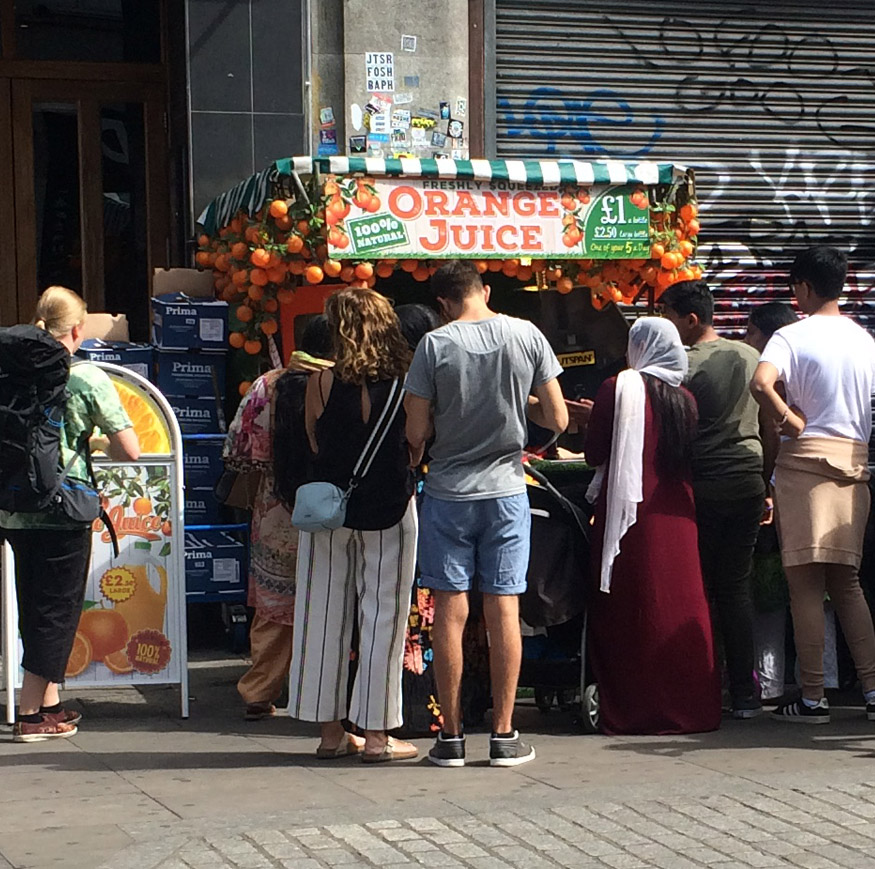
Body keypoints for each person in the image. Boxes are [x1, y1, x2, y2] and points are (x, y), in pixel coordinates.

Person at [405, 260, 568, 768]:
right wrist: (519, 408)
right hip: (506, 490)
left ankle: (450, 736)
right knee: (504, 608)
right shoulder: (526, 334)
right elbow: (558, 418)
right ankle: (503, 734)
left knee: (450, 613)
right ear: (486, 290)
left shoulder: (434, 345)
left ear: (443, 304)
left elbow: (415, 430)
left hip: (449, 492)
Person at [1, 286, 140, 742]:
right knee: (58, 613)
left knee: (36, 607)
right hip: (64, 508)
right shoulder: (86, 377)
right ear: (77, 328)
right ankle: (28, 715)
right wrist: (94, 444)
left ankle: (50, 705)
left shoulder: (12, 373)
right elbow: (131, 451)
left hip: (17, 509)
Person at [288, 288, 419, 762]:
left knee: (322, 615)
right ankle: (379, 736)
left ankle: (329, 733)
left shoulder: (319, 384)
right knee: (385, 616)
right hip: (391, 505)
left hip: (329, 510)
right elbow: (418, 444)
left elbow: (313, 441)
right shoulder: (409, 382)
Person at [751, 245, 875, 723]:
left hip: (804, 466)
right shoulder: (862, 338)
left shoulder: (789, 336)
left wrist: (787, 420)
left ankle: (812, 697)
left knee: (803, 584)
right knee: (847, 583)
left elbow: (761, 384)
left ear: (802, 287)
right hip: (854, 466)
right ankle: (870, 689)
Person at [584, 317, 721, 735]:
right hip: (678, 515)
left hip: (629, 517)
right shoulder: (685, 399)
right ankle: (690, 704)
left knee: (631, 606)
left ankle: (633, 707)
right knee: (678, 602)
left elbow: (593, 454)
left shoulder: (617, 388)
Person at [661, 281, 769, 718]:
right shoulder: (751, 356)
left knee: (701, 589)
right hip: (748, 482)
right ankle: (745, 691)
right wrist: (766, 481)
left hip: (704, 486)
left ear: (690, 319)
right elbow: (771, 429)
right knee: (735, 588)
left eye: (667, 313)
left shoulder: (681, 367)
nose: (664, 324)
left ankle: (706, 685)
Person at [224, 316, 333, 720]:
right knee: (332, 600)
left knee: (273, 603)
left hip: (276, 508)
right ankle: (326, 692)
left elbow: (238, 447)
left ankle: (259, 690)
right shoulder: (343, 384)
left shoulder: (267, 383)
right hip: (333, 503)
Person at [745, 301, 798, 702]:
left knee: (768, 588)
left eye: (751, 333)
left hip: (781, 488)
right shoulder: (810, 368)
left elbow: (770, 436)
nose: (746, 341)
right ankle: (827, 677)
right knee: (827, 590)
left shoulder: (772, 377)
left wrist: (766, 487)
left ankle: (769, 682)